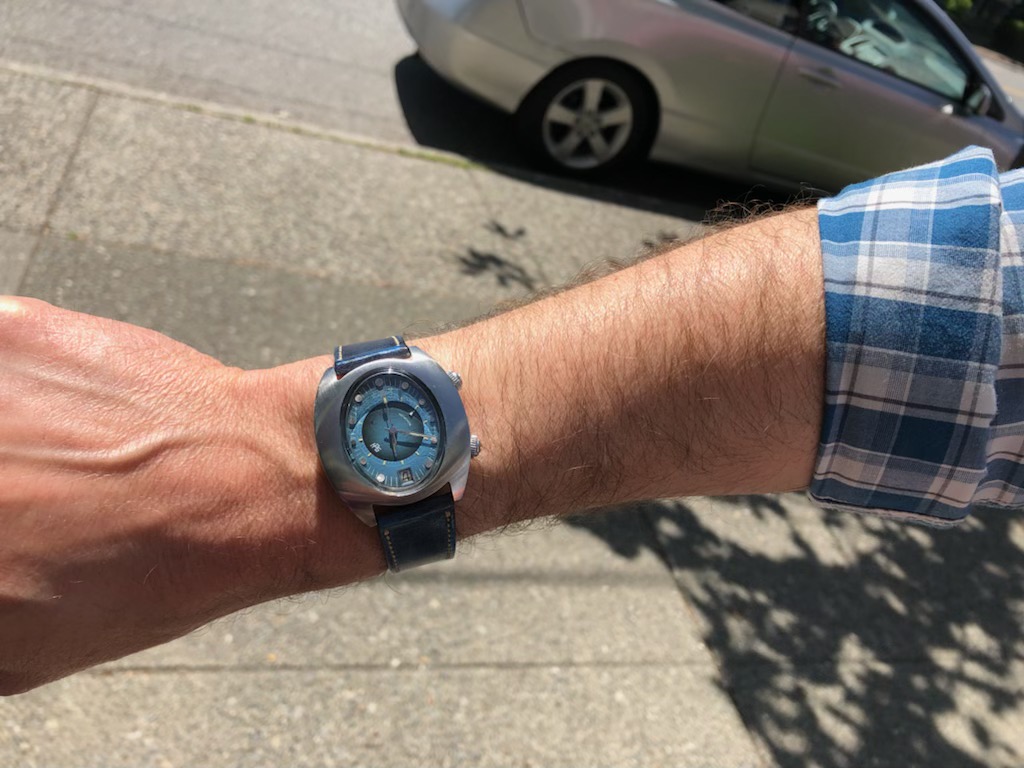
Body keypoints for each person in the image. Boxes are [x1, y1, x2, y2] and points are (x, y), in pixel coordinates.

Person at [1, 146, 1021, 695]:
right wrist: (270, 448)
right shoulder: (410, 419)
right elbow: (988, 284)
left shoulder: (424, 460)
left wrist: (267, 466)